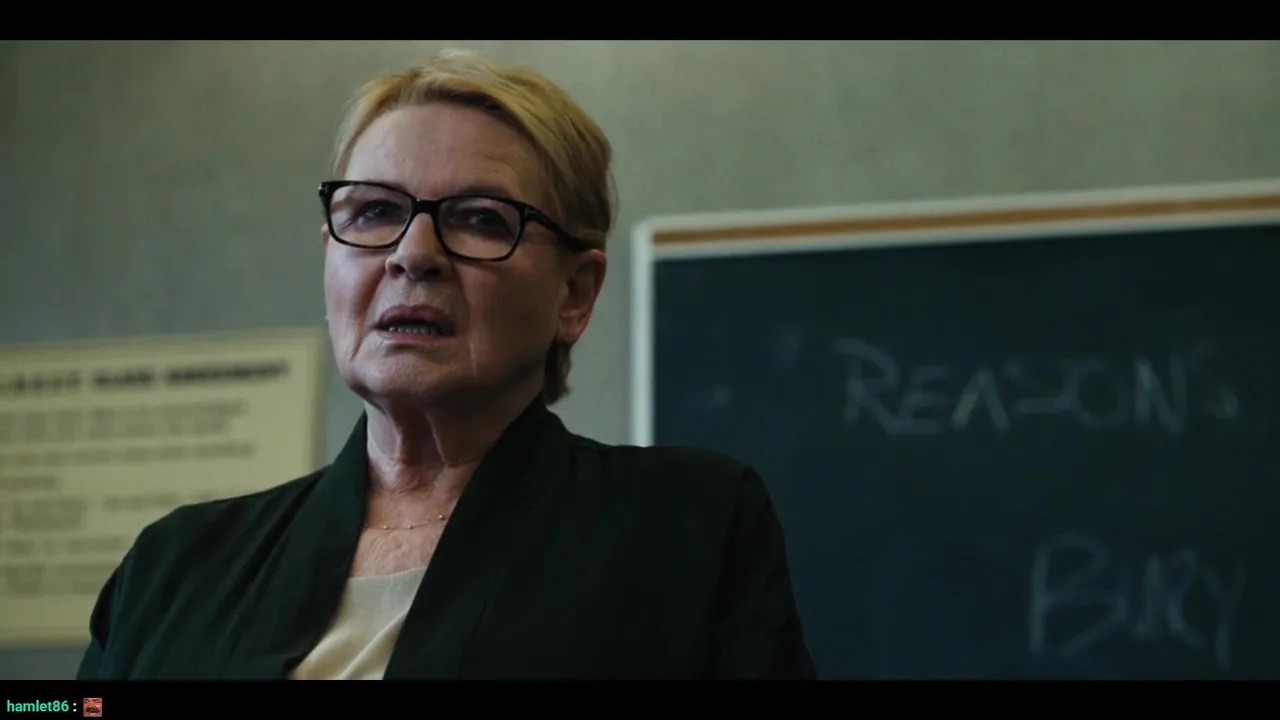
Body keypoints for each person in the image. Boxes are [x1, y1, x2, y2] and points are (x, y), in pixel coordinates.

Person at [76, 49, 815, 680]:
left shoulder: (687, 527)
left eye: (481, 219)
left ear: (575, 294)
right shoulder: (176, 563)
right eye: (374, 212)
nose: (413, 255)